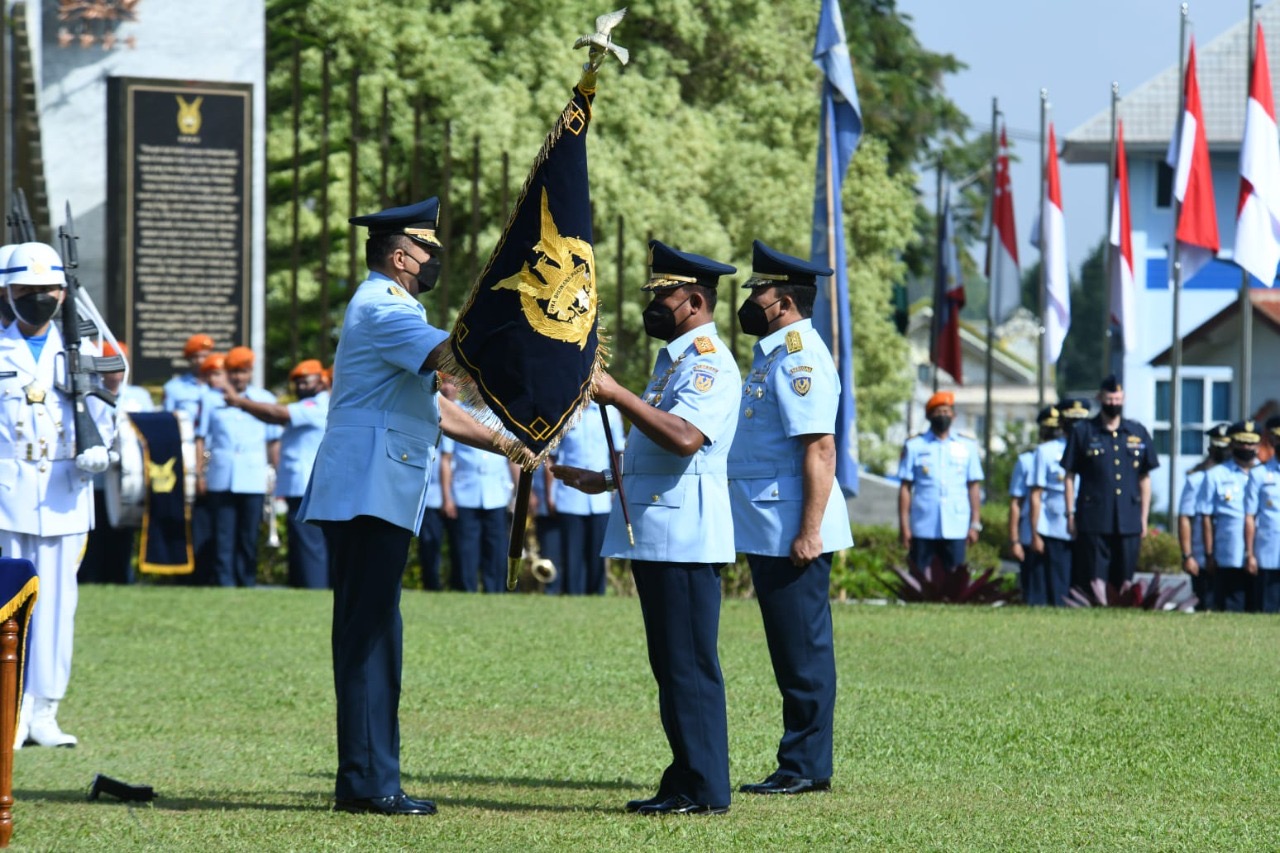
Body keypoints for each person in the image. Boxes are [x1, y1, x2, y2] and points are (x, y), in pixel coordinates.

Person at [298, 198, 521, 816]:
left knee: (374, 632)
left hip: (371, 490)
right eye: (427, 251)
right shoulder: (384, 308)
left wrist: (511, 444)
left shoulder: (392, 309)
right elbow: (455, 360)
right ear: (401, 257)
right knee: (371, 637)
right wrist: (528, 331)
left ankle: (365, 777)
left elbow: (440, 408)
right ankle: (371, 783)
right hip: (369, 491)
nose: (434, 261)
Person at [552, 240, 740, 816]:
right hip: (660, 534)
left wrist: (616, 394)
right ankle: (685, 776)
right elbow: (657, 452)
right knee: (672, 665)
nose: (653, 305)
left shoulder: (707, 362)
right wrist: (606, 480)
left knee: (689, 665)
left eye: (664, 296)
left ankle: (704, 788)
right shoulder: (674, 363)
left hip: (684, 538)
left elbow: (684, 439)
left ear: (695, 302)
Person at [727, 240, 852, 797]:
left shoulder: (801, 357)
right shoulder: (775, 354)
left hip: (792, 530)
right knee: (789, 647)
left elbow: (820, 448)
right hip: (772, 525)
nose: (751, 300)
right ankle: (800, 761)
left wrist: (809, 530)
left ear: (783, 302)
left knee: (802, 650)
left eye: (759, 291)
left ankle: (804, 766)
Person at [0, 242, 114, 748]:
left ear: (64, 293)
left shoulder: (83, 351)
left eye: (47, 288)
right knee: (7, 606)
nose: (38, 297)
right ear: (8, 292)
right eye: (26, 289)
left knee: (57, 608)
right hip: (8, 496)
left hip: (65, 494)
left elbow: (106, 411)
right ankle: (11, 708)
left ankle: (45, 710)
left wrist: (101, 447)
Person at [221, 357, 331, 589]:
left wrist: (239, 402)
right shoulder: (310, 404)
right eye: (297, 382)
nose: (301, 386)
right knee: (299, 541)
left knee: (309, 543)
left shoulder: (318, 404)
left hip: (306, 485)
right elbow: (270, 415)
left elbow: (276, 413)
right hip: (299, 485)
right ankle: (302, 585)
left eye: (307, 381)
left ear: (322, 381)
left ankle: (313, 586)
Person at [196, 345, 282, 587]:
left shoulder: (265, 399)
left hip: (252, 476)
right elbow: (201, 438)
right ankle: (224, 581)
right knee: (222, 533)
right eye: (233, 371)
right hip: (222, 474)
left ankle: (247, 580)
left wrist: (277, 474)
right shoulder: (211, 399)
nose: (238, 377)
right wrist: (199, 473)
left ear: (250, 373)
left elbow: (273, 441)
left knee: (248, 534)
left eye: (243, 371)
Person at [1062, 375, 1158, 589]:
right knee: (1094, 577)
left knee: (1125, 576)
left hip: (1129, 517)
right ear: (1100, 398)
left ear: (1123, 399)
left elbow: (1144, 478)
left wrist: (1143, 517)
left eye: (1117, 399)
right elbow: (1069, 476)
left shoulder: (1137, 432)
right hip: (1094, 517)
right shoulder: (1084, 431)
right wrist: (1070, 514)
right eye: (1109, 399)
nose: (1113, 403)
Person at [80, 341, 156, 584]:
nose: (116, 372)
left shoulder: (138, 396)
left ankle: (122, 575)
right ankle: (91, 575)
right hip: (97, 475)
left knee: (123, 528)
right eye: (111, 365)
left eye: (120, 364)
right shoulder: (89, 391)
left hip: (127, 476)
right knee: (95, 527)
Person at [896, 391, 983, 573]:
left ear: (953, 415)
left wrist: (975, 523)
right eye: (938, 412)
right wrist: (904, 526)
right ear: (929, 416)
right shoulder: (915, 446)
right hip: (923, 525)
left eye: (946, 411)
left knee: (954, 577)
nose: (942, 415)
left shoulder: (967, 447)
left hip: (956, 525)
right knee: (920, 577)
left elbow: (973, 486)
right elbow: (905, 488)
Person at [547, 400, 625, 595]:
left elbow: (618, 452)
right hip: (570, 495)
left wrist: (619, 487)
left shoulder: (611, 412)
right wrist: (550, 494)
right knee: (572, 553)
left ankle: (597, 595)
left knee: (598, 553)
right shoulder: (564, 410)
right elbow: (551, 456)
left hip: (602, 496)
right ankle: (573, 595)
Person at [442, 412, 517, 593]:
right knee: (466, 548)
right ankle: (467, 590)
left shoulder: (505, 413)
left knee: (497, 547)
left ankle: (495, 591)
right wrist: (447, 497)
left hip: (497, 494)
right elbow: (446, 459)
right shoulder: (457, 411)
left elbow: (513, 458)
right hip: (465, 492)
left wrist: (519, 495)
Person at [1200, 420, 1260, 612]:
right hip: (1229, 553)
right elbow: (1206, 517)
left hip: (1264, 553)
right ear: (1232, 444)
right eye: (1242, 442)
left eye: (1251, 443)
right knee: (1231, 607)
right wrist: (1209, 554)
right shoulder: (1216, 475)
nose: (1247, 447)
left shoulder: (1267, 473)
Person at [1181, 424, 1230, 611]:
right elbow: (1185, 518)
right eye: (1219, 448)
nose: (1224, 453)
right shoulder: (1197, 479)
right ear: (1211, 449)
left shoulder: (1241, 478)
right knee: (1206, 607)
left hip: (1231, 557)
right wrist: (1188, 556)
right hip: (1202, 559)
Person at [1029, 404, 1073, 605]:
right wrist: (1035, 533)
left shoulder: (1088, 447)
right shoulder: (1045, 452)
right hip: (1055, 525)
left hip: (1084, 524)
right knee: (1056, 583)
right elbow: (1036, 495)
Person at [417, 379, 458, 592]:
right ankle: (431, 586)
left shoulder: (469, 413)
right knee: (430, 544)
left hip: (461, 494)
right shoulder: (427, 407)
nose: (447, 387)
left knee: (460, 548)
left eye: (453, 383)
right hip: (431, 492)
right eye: (444, 382)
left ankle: (459, 587)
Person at [1245, 416, 1280, 613]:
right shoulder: (1259, 474)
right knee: (1268, 609)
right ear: (1273, 440)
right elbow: (1250, 516)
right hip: (1269, 553)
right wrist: (1250, 554)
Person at [1008, 441, 1042, 605]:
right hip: (1029, 535)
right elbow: (1016, 503)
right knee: (1030, 592)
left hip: (1062, 534)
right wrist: (1015, 540)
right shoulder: (1027, 461)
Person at [163, 332, 214, 422]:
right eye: (195, 357)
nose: (200, 361)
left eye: (205, 356)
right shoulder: (173, 387)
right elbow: (166, 419)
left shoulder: (221, 387)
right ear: (188, 358)